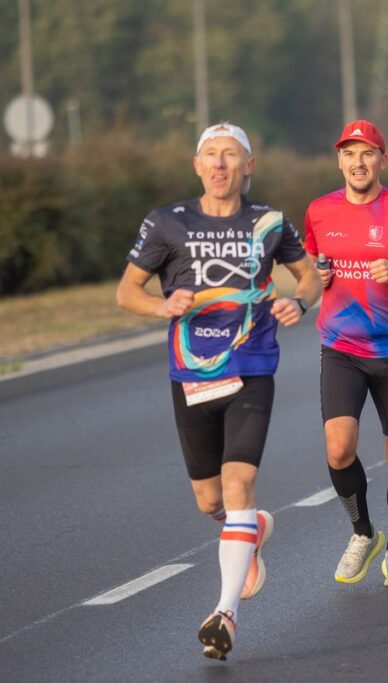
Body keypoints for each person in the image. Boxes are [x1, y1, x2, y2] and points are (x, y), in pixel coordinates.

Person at [116, 122, 321, 660]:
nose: (221, 164)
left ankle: (225, 612)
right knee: (212, 500)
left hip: (252, 366)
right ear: (197, 165)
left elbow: (310, 276)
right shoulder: (168, 223)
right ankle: (252, 529)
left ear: (248, 165)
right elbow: (127, 292)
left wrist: (298, 303)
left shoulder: (270, 222)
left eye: (231, 155)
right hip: (191, 373)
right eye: (211, 155)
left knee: (238, 483)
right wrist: (161, 306)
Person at [304, 120, 388, 587]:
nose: (358, 163)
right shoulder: (320, 211)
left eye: (367, 154)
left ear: (383, 160)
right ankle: (363, 533)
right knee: (339, 450)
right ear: (338, 160)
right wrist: (317, 276)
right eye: (349, 154)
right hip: (340, 348)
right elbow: (312, 263)